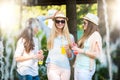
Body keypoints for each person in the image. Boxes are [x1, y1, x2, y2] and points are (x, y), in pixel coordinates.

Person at [38, 11, 74, 80]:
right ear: (54, 22)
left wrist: (68, 50)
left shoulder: (70, 37)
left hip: (65, 68)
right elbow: (38, 19)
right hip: (52, 67)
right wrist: (51, 17)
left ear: (65, 22)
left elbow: (71, 57)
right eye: (57, 21)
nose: (60, 23)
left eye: (62, 21)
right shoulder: (49, 33)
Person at [72, 13, 102, 80]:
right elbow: (82, 50)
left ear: (91, 24)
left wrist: (81, 51)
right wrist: (77, 48)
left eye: (85, 23)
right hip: (77, 66)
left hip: (85, 69)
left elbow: (97, 55)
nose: (83, 24)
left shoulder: (96, 35)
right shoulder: (86, 35)